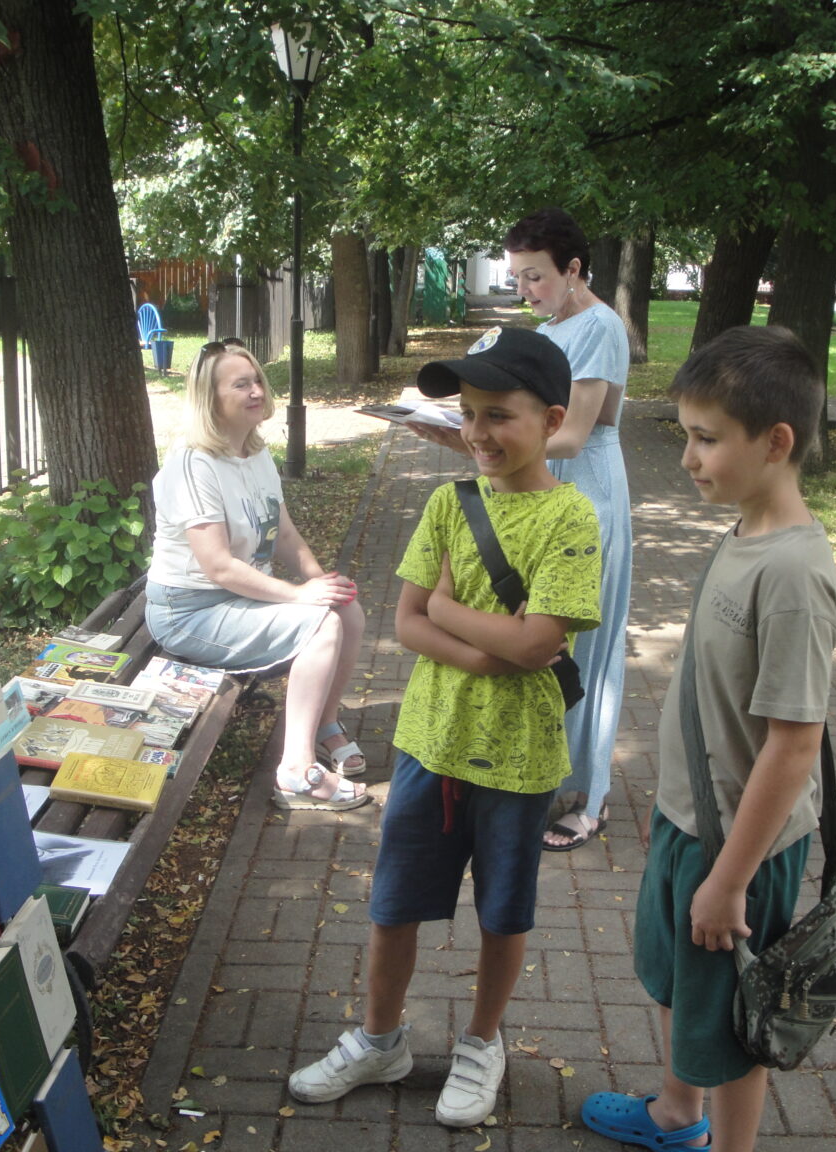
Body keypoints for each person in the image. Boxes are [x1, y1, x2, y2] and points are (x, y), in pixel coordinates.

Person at [288, 326, 602, 1126]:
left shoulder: (572, 519)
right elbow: (407, 624)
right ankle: (379, 1039)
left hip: (519, 759)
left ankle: (482, 1043)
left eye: (498, 415)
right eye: (468, 414)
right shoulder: (448, 503)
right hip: (430, 743)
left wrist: (451, 609)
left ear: (552, 420)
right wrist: (491, 649)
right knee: (394, 902)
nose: (477, 433)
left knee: (503, 912)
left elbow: (536, 643)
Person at [580, 326, 836, 1152]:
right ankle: (675, 1113)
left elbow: (794, 746)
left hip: (740, 848)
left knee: (731, 1022)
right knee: (679, 982)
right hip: (692, 820)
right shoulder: (744, 533)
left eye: (706, 439)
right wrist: (678, 813)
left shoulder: (794, 572)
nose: (688, 458)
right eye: (686, 436)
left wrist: (730, 881)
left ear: (776, 443)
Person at [413, 207, 631, 851]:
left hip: (585, 491)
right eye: (517, 277)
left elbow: (573, 434)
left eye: (535, 276)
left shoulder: (600, 326)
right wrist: (469, 438)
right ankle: (544, 773)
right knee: (522, 626)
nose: (525, 289)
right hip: (533, 488)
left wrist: (474, 441)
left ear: (574, 269)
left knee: (583, 648)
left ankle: (589, 796)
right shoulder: (550, 327)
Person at [145, 339, 370, 811]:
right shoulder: (193, 464)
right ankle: (296, 771)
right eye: (241, 384)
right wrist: (299, 595)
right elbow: (218, 566)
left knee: (345, 610)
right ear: (210, 398)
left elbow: (283, 534)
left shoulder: (255, 452)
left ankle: (325, 722)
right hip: (189, 610)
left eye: (257, 382)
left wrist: (321, 581)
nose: (256, 392)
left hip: (238, 595)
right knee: (320, 624)